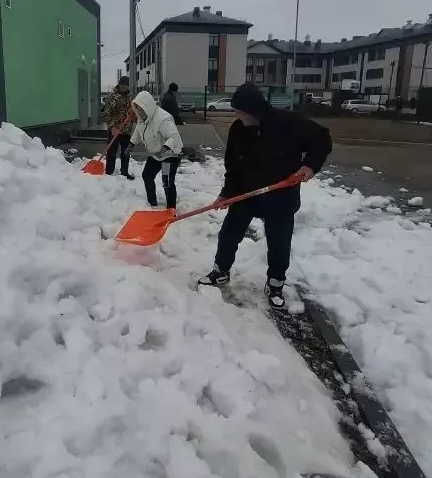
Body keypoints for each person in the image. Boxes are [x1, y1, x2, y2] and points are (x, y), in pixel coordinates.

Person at [199, 84, 332, 309]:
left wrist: (310, 166)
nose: (237, 115)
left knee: (279, 243)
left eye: (239, 111)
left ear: (253, 110)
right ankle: (221, 271)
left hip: (280, 196)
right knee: (229, 235)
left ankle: (275, 283)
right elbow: (233, 166)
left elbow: (322, 139)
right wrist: (226, 193)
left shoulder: (288, 123)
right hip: (245, 194)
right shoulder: (238, 129)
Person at [130, 91, 183, 209]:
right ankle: (152, 203)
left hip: (170, 155)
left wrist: (163, 149)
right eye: (137, 109)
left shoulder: (163, 119)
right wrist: (130, 145)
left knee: (167, 181)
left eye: (141, 109)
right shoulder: (142, 119)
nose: (139, 112)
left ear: (147, 107)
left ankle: (171, 209)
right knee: (147, 175)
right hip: (156, 154)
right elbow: (138, 133)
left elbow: (173, 137)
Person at [104, 76, 135, 180]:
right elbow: (107, 114)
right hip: (115, 129)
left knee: (125, 152)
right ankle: (109, 172)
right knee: (112, 152)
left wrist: (133, 114)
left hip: (126, 130)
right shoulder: (112, 96)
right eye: (122, 85)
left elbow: (134, 113)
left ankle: (124, 173)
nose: (124, 87)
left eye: (126, 85)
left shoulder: (131, 98)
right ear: (119, 84)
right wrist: (112, 127)